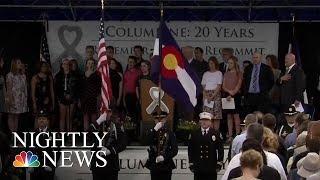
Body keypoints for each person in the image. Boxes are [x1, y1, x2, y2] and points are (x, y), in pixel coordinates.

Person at [222, 123, 287, 180]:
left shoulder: (236, 159)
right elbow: (283, 178)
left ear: (246, 137)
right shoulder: (273, 159)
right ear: (263, 139)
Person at [90, 110, 127, 180]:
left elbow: (123, 143)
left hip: (111, 165)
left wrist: (111, 150)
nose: (105, 114)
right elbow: (87, 136)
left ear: (111, 113)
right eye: (102, 111)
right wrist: (98, 121)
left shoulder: (116, 126)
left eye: (107, 112)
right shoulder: (95, 125)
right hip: (97, 165)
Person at [188, 112, 224, 180]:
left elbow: (220, 149)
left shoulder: (216, 133)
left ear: (210, 122)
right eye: (202, 120)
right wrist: (191, 163)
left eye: (206, 120)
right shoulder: (194, 134)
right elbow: (190, 150)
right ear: (199, 121)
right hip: (198, 166)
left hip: (211, 166)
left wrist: (219, 163)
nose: (204, 122)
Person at [145, 110, 178, 180]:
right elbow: (146, 141)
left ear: (165, 120)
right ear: (154, 120)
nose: (159, 121)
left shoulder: (170, 133)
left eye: (162, 119)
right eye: (157, 119)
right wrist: (155, 130)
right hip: (154, 164)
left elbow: (175, 150)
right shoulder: (151, 132)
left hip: (166, 165)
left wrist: (164, 157)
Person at [29, 110, 56, 180]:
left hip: (48, 167)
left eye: (43, 119)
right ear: (37, 121)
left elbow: (57, 151)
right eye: (40, 119)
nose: (41, 120)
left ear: (47, 121)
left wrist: (51, 165)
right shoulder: (32, 134)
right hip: (35, 167)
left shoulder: (53, 134)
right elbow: (28, 150)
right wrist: (30, 164)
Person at [222, 56, 243, 141]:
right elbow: (223, 86)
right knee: (229, 116)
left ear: (234, 64)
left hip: (236, 96)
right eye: (228, 63)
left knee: (236, 116)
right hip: (227, 96)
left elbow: (239, 85)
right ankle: (230, 135)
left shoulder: (239, 73)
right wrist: (228, 92)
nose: (229, 65)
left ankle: (237, 134)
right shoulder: (226, 73)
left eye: (231, 63)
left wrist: (232, 93)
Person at [55, 59, 78, 132]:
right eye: (64, 64)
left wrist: (72, 96)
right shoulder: (58, 76)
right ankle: (62, 135)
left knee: (69, 118)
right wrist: (60, 98)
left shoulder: (74, 75)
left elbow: (77, 88)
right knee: (62, 117)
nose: (66, 65)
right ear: (62, 65)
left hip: (72, 99)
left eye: (67, 64)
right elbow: (56, 88)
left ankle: (69, 134)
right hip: (62, 99)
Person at [6, 58, 28, 132]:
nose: (20, 64)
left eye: (20, 63)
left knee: (17, 116)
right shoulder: (10, 75)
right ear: (14, 64)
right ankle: (12, 133)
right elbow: (9, 89)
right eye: (18, 63)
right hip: (13, 98)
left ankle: (15, 133)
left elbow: (24, 88)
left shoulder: (23, 75)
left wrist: (25, 98)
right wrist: (11, 100)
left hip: (20, 99)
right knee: (11, 115)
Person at [202, 56, 223, 131]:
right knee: (208, 116)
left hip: (215, 94)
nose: (211, 65)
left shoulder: (219, 73)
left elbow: (219, 86)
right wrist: (207, 96)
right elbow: (203, 87)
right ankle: (209, 132)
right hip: (207, 94)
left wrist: (212, 96)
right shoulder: (205, 74)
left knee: (216, 116)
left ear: (215, 64)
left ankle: (216, 133)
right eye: (209, 63)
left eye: (212, 63)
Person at [81, 59, 101, 131]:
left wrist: (98, 100)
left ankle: (93, 135)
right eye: (89, 63)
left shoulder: (97, 75)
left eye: (92, 63)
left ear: (94, 65)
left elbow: (99, 89)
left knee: (94, 117)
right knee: (85, 117)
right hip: (84, 99)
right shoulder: (83, 75)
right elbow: (81, 88)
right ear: (86, 65)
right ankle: (86, 135)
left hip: (93, 98)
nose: (90, 64)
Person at [123, 56, 140, 124]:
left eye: (132, 62)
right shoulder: (126, 73)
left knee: (136, 114)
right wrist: (123, 99)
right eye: (129, 61)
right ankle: (130, 130)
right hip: (128, 96)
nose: (130, 63)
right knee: (129, 114)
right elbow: (124, 87)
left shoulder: (139, 72)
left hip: (136, 96)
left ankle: (137, 131)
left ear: (135, 63)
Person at [0, 58, 6, 127]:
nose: (3, 63)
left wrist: (6, 97)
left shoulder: (2, 73)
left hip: (1, 96)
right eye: (1, 62)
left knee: (1, 114)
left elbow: (4, 86)